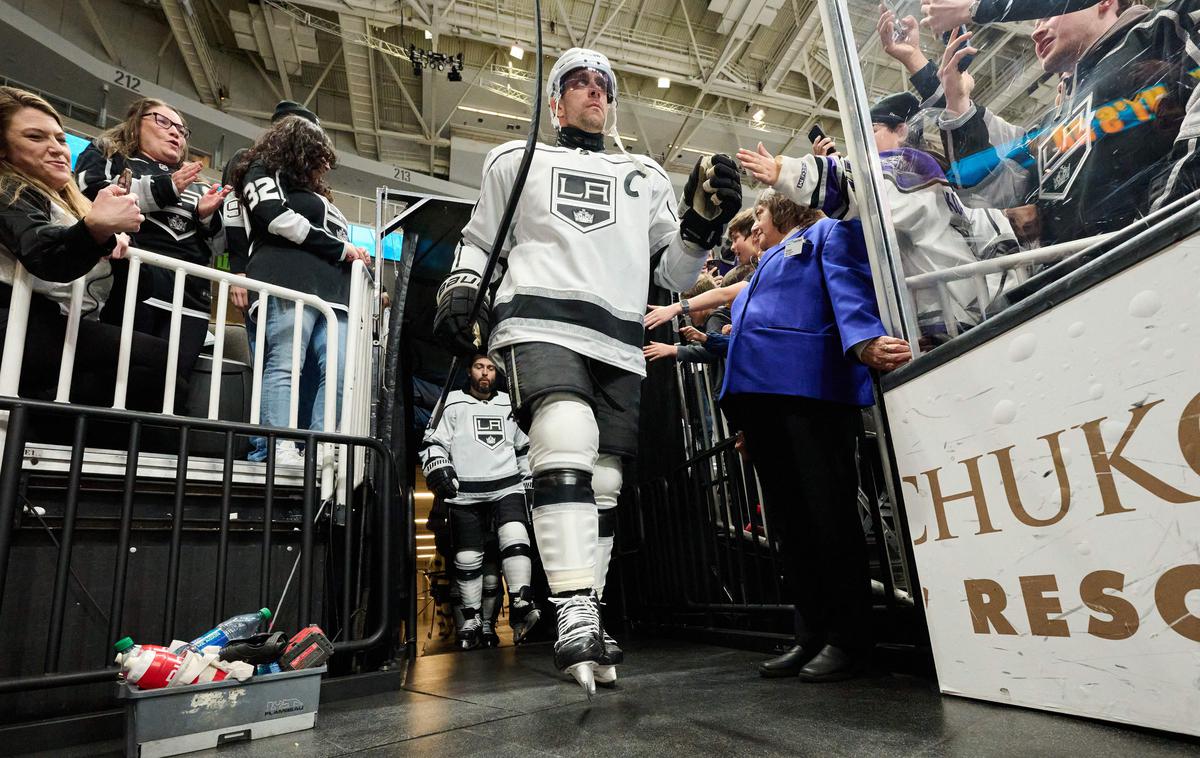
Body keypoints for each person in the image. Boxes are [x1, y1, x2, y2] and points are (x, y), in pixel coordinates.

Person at [433, 47, 741, 694]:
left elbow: (675, 273)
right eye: (577, 82)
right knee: (564, 433)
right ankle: (572, 605)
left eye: (603, 83)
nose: (593, 91)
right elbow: (482, 238)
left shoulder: (646, 175)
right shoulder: (515, 161)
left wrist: (702, 225)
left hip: (619, 340)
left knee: (603, 481)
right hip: (539, 319)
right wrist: (462, 288)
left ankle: (587, 613)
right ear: (554, 101)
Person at [718, 203, 912, 682]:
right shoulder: (763, 261)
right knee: (791, 526)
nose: (754, 223)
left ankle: (849, 638)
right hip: (759, 399)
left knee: (829, 517)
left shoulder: (828, 232)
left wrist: (864, 340)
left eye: (760, 211)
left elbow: (848, 286)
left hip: (812, 390)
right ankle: (811, 634)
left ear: (784, 205)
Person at [738, 93, 1016, 342]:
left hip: (954, 307)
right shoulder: (912, 170)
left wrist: (787, 172)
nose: (863, 144)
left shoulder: (908, 163)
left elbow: (883, 201)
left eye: (872, 131)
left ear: (902, 130)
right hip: (947, 308)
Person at [934, 0, 1200, 246]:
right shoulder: (1057, 119)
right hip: (1077, 288)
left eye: (1047, 13)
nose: (1036, 32)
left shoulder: (1164, 29)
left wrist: (1151, 232)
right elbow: (997, 194)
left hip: (1164, 264)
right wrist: (957, 101)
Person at [0, 86, 170, 407]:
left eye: (61, 139)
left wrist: (114, 244)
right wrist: (95, 230)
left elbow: (141, 287)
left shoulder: (79, 205)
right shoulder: (7, 188)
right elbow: (45, 256)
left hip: (69, 328)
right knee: (153, 363)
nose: (57, 149)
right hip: (19, 322)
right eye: (36, 138)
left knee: (162, 379)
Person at [229, 115, 370, 465]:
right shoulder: (260, 168)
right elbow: (276, 218)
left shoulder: (317, 194)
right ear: (300, 149)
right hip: (286, 280)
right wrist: (341, 249)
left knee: (338, 371)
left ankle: (323, 447)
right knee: (285, 364)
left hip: (334, 293)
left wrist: (352, 252)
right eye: (318, 157)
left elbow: (334, 239)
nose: (323, 167)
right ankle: (280, 446)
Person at [75, 98, 230, 389]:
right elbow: (88, 193)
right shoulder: (110, 154)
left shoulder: (199, 184)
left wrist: (207, 217)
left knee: (172, 389)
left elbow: (220, 250)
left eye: (182, 130)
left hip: (190, 301)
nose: (176, 133)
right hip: (130, 286)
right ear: (136, 122)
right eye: (164, 122)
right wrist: (164, 188)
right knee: (116, 380)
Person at [219, 100, 323, 461]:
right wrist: (238, 271)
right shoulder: (248, 160)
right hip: (262, 272)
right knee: (274, 360)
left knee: (300, 367)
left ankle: (292, 444)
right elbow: (233, 213)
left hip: (303, 280)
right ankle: (265, 448)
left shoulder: (300, 175)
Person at [419, 354, 539, 650]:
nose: (485, 373)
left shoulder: (509, 405)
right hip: (466, 492)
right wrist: (437, 465)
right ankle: (471, 622)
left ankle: (521, 601)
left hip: (506, 485)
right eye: (479, 367)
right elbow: (433, 441)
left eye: (490, 368)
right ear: (469, 371)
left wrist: (529, 481)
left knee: (516, 538)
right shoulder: (451, 402)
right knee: (467, 559)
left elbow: (522, 446)